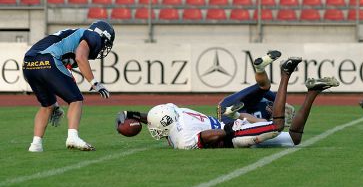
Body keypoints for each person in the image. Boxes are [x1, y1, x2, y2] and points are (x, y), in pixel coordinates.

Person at [116, 52, 340, 149]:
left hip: (232, 134)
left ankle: (285, 74)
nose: (153, 128)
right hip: (227, 122)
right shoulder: (176, 112)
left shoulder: (183, 139)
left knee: (277, 125)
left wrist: (237, 125)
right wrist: (132, 115)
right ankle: (312, 92)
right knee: (294, 138)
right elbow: (155, 117)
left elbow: (210, 136)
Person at [24, 21, 115, 152]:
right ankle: (72, 137)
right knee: (76, 99)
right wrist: (95, 83)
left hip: (28, 64)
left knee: (48, 105)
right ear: (102, 35)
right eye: (106, 43)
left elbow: (56, 72)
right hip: (48, 59)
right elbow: (80, 57)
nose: (103, 47)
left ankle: (35, 145)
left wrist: (55, 104)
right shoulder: (92, 36)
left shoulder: (74, 37)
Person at [216, 50, 295, 126]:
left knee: (264, 122)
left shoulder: (268, 117)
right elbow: (265, 91)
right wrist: (279, 101)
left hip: (229, 118)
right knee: (264, 87)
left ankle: (259, 69)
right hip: (229, 109)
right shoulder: (272, 100)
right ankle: (260, 68)